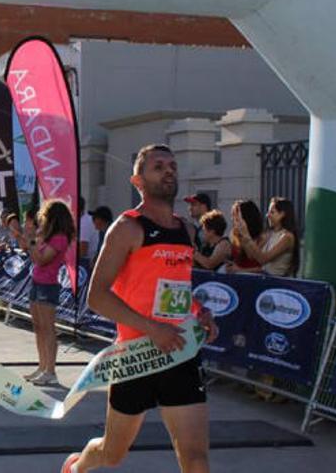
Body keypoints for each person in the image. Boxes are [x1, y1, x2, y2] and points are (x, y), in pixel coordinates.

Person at [63, 144, 218, 473]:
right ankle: (76, 469)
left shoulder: (186, 230)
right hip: (136, 357)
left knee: (195, 457)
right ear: (138, 181)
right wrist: (152, 329)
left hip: (180, 353)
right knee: (112, 453)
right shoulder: (127, 228)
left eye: (172, 165)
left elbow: (177, 290)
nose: (168, 170)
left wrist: (199, 313)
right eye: (158, 166)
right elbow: (97, 296)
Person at [19, 199, 74, 386]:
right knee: (38, 327)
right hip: (37, 282)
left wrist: (32, 243)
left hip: (48, 285)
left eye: (46, 216)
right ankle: (42, 366)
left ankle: (50, 370)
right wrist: (29, 241)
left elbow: (42, 259)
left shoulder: (59, 238)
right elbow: (35, 256)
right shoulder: (47, 236)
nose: (42, 219)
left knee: (48, 328)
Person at [234, 196, 298, 277]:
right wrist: (242, 233)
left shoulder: (287, 237)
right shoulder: (270, 233)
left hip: (278, 281)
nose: (267, 215)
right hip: (266, 277)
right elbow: (252, 255)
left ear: (282, 214)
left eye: (272, 212)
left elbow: (263, 259)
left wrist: (247, 235)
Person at [226, 200, 264, 273]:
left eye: (235, 216)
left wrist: (240, 270)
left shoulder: (262, 237)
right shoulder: (234, 234)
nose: (232, 219)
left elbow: (264, 268)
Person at [78, 197, 101, 266]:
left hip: (84, 264)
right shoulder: (86, 219)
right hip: (86, 262)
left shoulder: (84, 222)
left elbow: (83, 251)